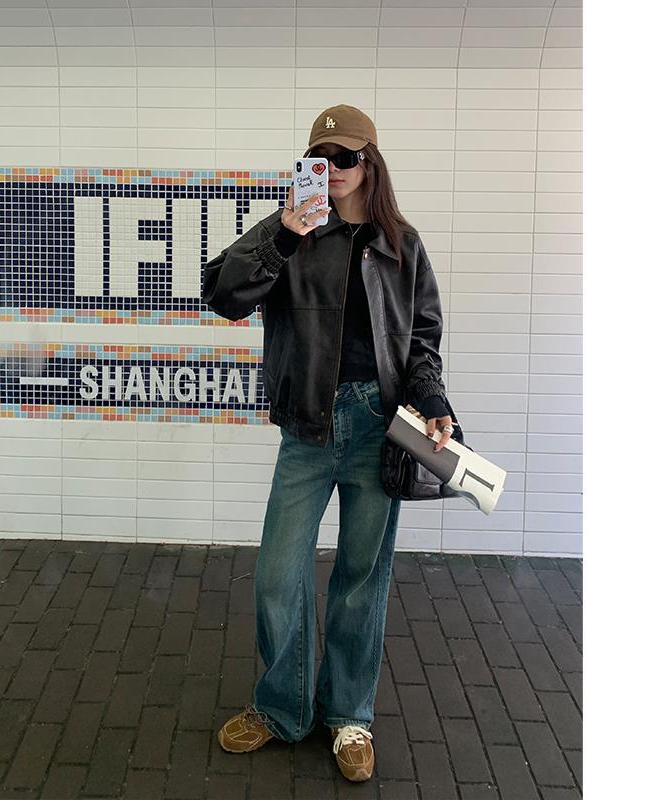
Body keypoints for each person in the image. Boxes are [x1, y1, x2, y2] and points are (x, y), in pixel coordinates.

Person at [202, 104, 455, 783]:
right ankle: (283, 707)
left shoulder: (401, 244)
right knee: (277, 576)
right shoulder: (291, 231)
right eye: (320, 158)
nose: (333, 169)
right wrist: (282, 236)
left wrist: (433, 399)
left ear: (370, 163)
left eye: (346, 157)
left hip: (378, 423)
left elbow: (422, 338)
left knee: (360, 579)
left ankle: (349, 717)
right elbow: (222, 294)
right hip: (308, 428)